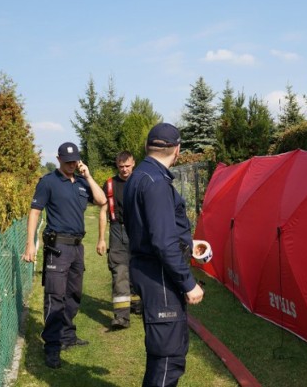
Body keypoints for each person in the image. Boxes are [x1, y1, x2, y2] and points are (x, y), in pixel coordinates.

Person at [123, 123, 205, 387]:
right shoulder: (156, 182)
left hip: (150, 269)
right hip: (159, 276)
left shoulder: (141, 175)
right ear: (177, 150)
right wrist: (188, 282)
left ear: (148, 146)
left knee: (164, 354)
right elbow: (161, 240)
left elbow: (152, 229)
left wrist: (189, 244)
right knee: (169, 358)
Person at [22, 142, 106, 369]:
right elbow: (35, 212)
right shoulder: (48, 182)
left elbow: (101, 200)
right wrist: (30, 243)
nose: (71, 164)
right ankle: (52, 346)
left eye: (75, 160)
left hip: (77, 248)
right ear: (58, 159)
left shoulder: (80, 182)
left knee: (74, 294)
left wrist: (88, 176)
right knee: (55, 296)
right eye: (67, 160)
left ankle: (68, 336)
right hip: (57, 247)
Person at [96, 150, 142, 330]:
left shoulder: (141, 181)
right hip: (118, 229)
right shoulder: (109, 184)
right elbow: (103, 212)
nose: (124, 170)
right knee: (119, 270)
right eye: (121, 166)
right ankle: (121, 317)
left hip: (139, 231)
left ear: (134, 164)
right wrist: (101, 239)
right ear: (117, 166)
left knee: (138, 269)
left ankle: (137, 304)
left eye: (127, 166)